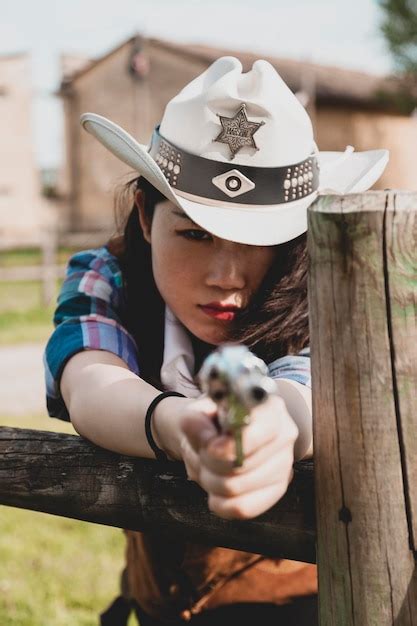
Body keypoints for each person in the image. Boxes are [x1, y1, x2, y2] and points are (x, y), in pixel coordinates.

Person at [43, 56, 388, 626]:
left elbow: (303, 392)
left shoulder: (330, 290)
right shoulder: (105, 274)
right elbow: (90, 378)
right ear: (144, 216)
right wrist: (176, 426)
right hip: (156, 605)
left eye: (261, 242)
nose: (227, 276)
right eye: (195, 233)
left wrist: (272, 431)